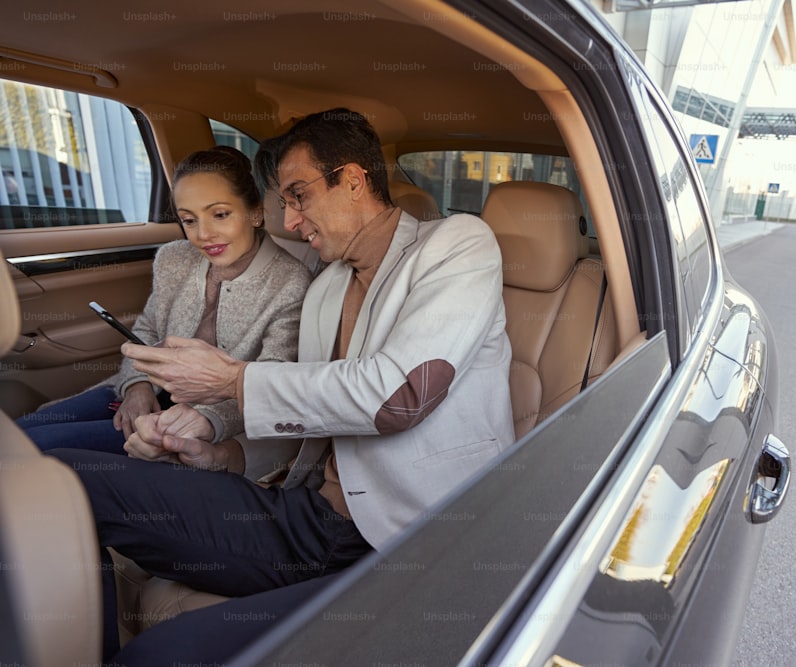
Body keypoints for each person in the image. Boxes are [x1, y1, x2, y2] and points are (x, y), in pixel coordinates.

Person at [47, 108, 514, 663]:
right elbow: (308, 425)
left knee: (161, 656)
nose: (291, 222)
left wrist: (232, 379)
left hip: (401, 540)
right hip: (305, 516)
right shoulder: (326, 289)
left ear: (353, 180)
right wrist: (219, 453)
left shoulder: (457, 245)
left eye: (299, 196)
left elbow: (399, 396)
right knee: (61, 483)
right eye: (285, 202)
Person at [18, 146, 312, 456]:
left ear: (255, 212)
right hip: (145, 392)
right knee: (18, 432)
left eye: (220, 214)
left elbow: (271, 382)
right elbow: (147, 330)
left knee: (36, 451)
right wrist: (136, 385)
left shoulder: (290, 283)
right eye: (189, 220)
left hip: (200, 422)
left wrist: (206, 420)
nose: (203, 234)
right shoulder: (174, 258)